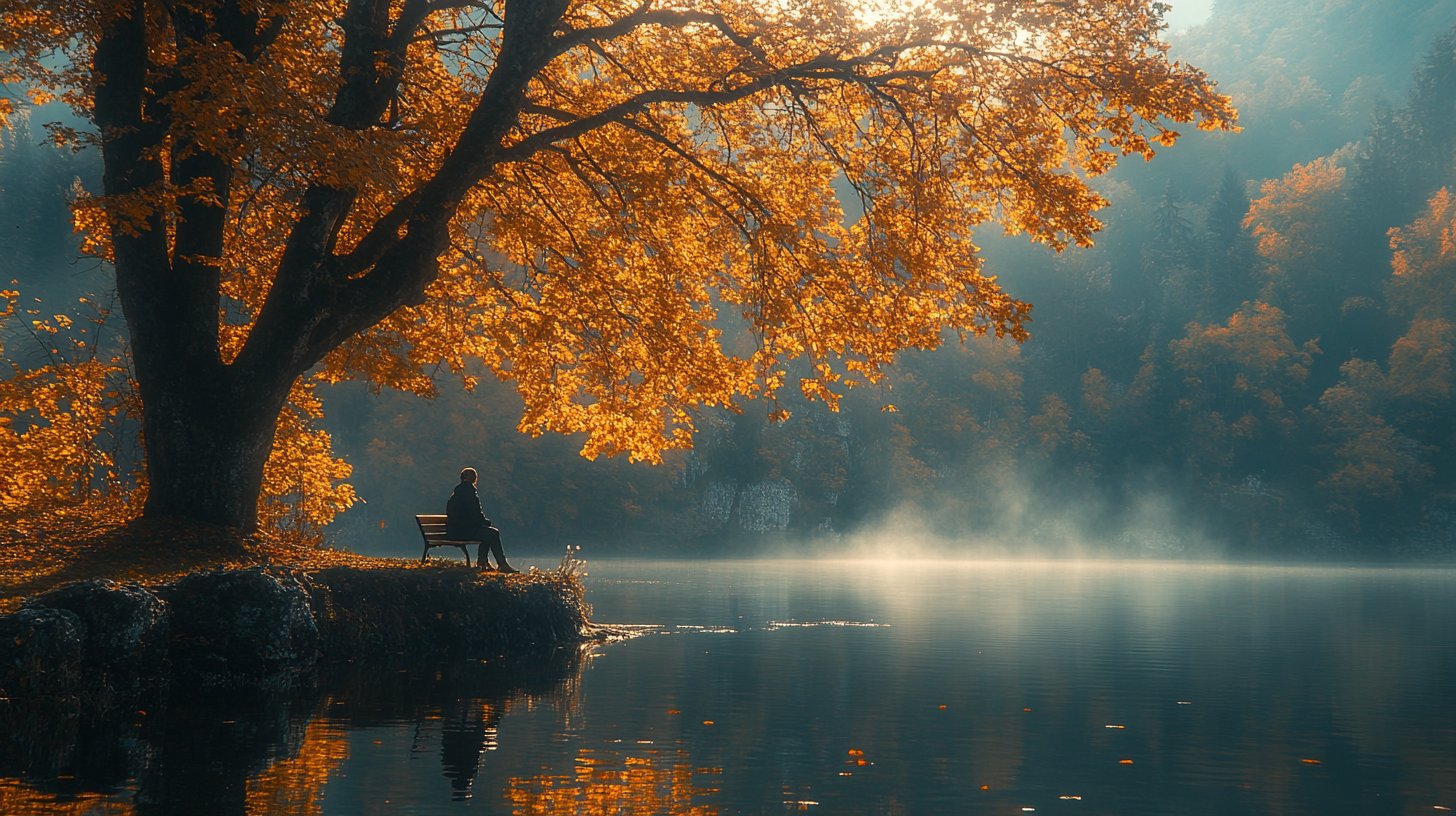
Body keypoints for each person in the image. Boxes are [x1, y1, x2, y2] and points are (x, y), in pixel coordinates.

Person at [446, 467, 517, 572]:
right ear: (473, 478)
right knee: (493, 533)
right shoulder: (469, 493)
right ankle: (501, 564)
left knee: (487, 533)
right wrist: (485, 522)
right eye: (475, 476)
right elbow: (475, 514)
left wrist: (482, 523)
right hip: (463, 531)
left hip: (455, 530)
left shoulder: (457, 493)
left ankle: (483, 563)